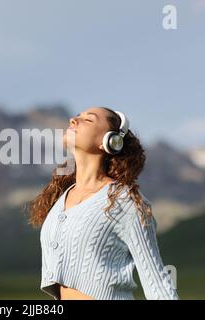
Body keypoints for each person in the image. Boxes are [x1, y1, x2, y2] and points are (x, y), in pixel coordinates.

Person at [27, 107, 179, 300]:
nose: (73, 120)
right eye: (77, 116)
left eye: (88, 120)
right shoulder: (62, 198)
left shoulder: (125, 201)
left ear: (109, 142)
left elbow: (157, 284)